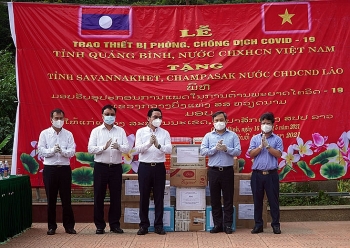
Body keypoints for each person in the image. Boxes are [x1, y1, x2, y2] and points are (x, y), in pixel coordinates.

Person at [88, 104, 129, 234]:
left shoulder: (120, 131)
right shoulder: (96, 131)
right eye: (107, 114)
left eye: (112, 115)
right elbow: (90, 149)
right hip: (100, 167)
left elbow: (127, 148)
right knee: (99, 196)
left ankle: (114, 225)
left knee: (116, 197)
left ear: (115, 116)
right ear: (102, 116)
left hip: (116, 167)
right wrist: (103, 148)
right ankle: (100, 225)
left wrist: (119, 147)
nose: (109, 117)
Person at [200, 111, 241, 234]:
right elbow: (203, 151)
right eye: (216, 120)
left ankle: (228, 225)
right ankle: (217, 224)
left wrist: (226, 149)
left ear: (226, 121)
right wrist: (214, 149)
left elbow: (238, 151)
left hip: (227, 170)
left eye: (221, 120)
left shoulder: (233, 136)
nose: (219, 123)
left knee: (228, 198)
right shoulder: (208, 136)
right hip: (213, 171)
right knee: (215, 199)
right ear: (213, 122)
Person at [38, 108, 76, 235]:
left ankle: (69, 226)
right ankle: (51, 226)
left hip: (64, 169)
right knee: (51, 199)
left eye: (61, 118)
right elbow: (42, 151)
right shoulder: (44, 134)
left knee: (66, 199)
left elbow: (72, 151)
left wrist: (62, 152)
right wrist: (53, 150)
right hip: (50, 169)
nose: (59, 121)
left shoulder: (69, 134)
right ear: (51, 120)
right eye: (56, 118)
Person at [134, 108, 172, 235]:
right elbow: (137, 149)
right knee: (144, 196)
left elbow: (169, 149)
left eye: (160, 117)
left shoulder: (165, 133)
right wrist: (149, 143)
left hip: (159, 167)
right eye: (155, 117)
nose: (158, 120)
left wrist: (158, 146)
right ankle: (144, 225)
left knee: (159, 196)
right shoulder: (140, 131)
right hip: (144, 167)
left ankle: (159, 225)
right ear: (148, 118)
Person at [248, 112, 283, 234]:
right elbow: (250, 154)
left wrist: (268, 147)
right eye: (263, 123)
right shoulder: (255, 138)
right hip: (257, 174)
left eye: (268, 123)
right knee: (257, 200)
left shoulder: (277, 139)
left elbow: (278, 154)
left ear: (273, 124)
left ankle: (276, 225)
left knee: (273, 200)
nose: (265, 125)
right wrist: (260, 146)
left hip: (271, 174)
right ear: (260, 124)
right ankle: (258, 225)